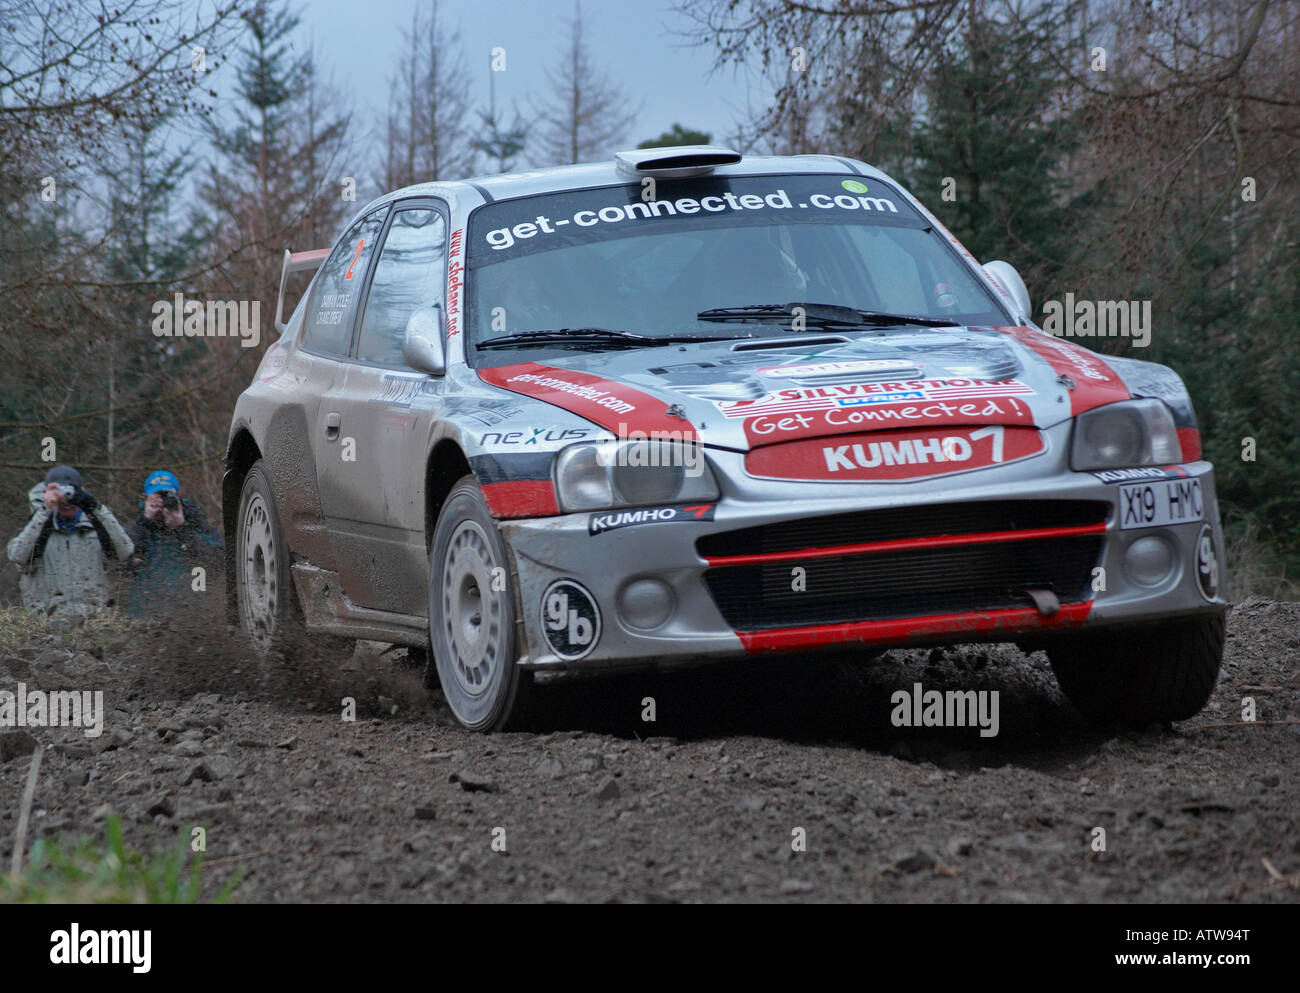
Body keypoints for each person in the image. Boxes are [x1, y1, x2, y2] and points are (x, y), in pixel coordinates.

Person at [6, 465, 135, 617]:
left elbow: (125, 551)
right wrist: (45, 510)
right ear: (45, 493)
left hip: (93, 623)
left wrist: (95, 507)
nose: (66, 500)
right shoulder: (36, 529)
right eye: (59, 492)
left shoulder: (97, 527)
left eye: (70, 492)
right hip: (46, 625)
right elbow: (19, 556)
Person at [124, 469, 223, 616]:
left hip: (191, 618)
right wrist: (145, 521)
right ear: (145, 498)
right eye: (158, 496)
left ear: (178, 496)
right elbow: (121, 561)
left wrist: (182, 529)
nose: (163, 502)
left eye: (167, 496)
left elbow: (218, 563)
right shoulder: (138, 530)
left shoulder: (198, 525)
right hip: (145, 618)